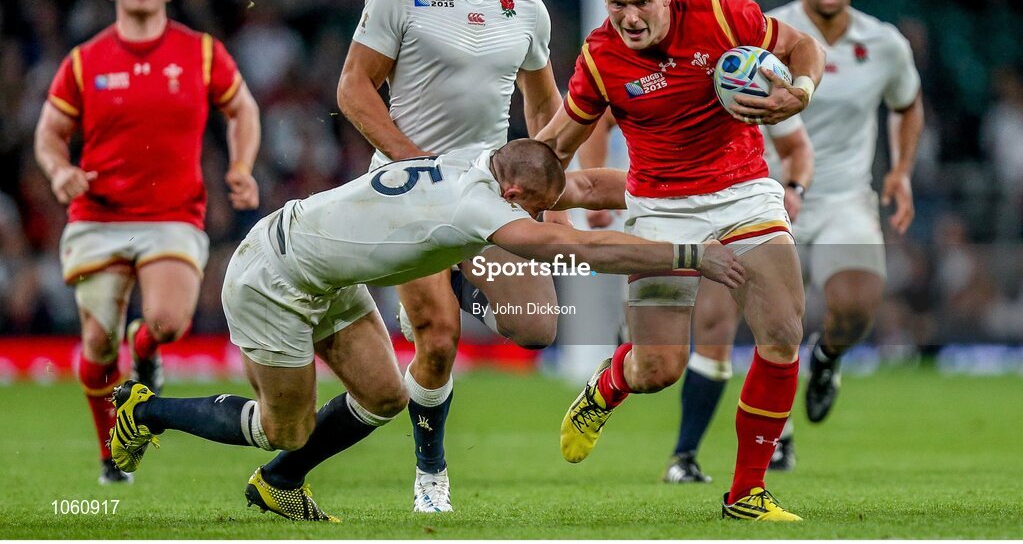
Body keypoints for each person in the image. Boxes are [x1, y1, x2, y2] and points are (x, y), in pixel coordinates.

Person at [107, 139, 746, 522]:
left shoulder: (474, 166)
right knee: (285, 427)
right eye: (531, 207)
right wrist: (690, 255)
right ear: (516, 190)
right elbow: (576, 247)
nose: (531, 217)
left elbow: (578, 189)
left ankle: (279, 485)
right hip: (271, 276)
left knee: (385, 395)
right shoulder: (478, 204)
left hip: (319, 269)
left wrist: (693, 193)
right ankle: (147, 410)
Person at [538, 0, 826, 521]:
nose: (630, 18)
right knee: (659, 369)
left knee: (781, 332)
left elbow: (803, 47)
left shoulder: (724, 16)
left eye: (641, 2)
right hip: (660, 209)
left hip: (744, 193)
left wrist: (800, 92)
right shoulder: (600, 58)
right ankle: (607, 388)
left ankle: (746, 493)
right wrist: (515, 189)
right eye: (616, 5)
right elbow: (558, 143)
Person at [336, 0, 564, 512]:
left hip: (483, 191)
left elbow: (543, 99)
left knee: (537, 327)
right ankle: (431, 469)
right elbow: (353, 88)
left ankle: (450, 288)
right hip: (407, 190)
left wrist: (545, 174)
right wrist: (412, 159)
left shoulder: (524, 2)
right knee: (437, 345)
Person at [33, 0, 261, 485]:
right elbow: (49, 134)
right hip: (98, 217)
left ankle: (148, 350)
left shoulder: (200, 51)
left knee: (167, 322)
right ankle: (112, 453)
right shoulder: (85, 61)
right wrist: (60, 171)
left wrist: (242, 165)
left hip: (171, 216)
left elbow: (242, 108)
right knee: (95, 344)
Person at [763, 0, 923, 447]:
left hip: (845, 196)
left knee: (857, 307)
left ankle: (827, 358)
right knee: (773, 318)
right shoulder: (768, 33)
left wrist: (900, 170)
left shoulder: (884, 43)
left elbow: (907, 104)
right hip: (771, 192)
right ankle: (777, 433)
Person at [659, 0, 814, 483]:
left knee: (770, 330)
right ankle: (694, 453)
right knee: (706, 335)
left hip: (756, 211)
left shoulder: (768, 76)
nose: (751, 32)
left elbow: (797, 149)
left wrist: (797, 188)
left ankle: (734, 452)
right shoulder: (687, 80)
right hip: (696, 209)